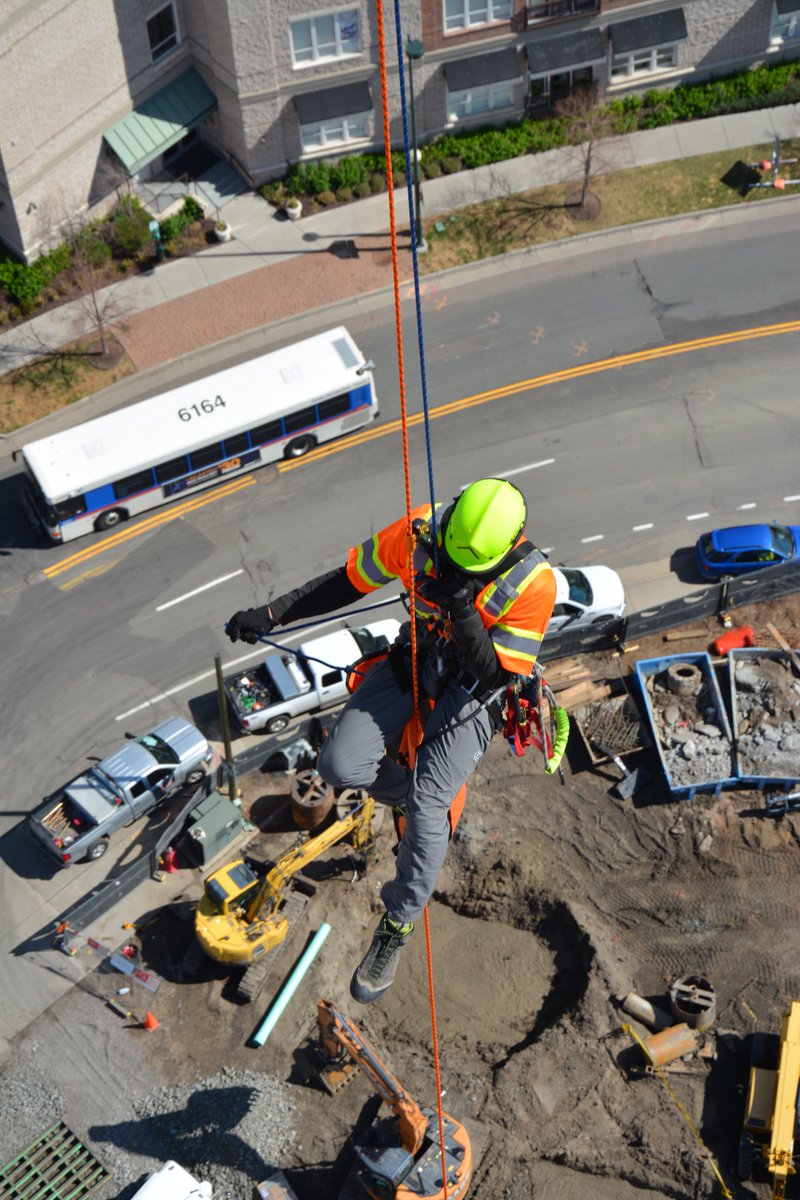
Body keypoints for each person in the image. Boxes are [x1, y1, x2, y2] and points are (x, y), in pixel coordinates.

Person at [226, 477, 556, 1004]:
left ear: (506, 549)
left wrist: (463, 607)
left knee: (430, 804)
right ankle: (412, 793)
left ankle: (397, 924)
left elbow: (494, 675)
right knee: (337, 765)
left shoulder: (534, 583)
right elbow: (347, 582)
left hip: (474, 690)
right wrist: (271, 615)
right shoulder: (422, 531)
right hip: (419, 656)